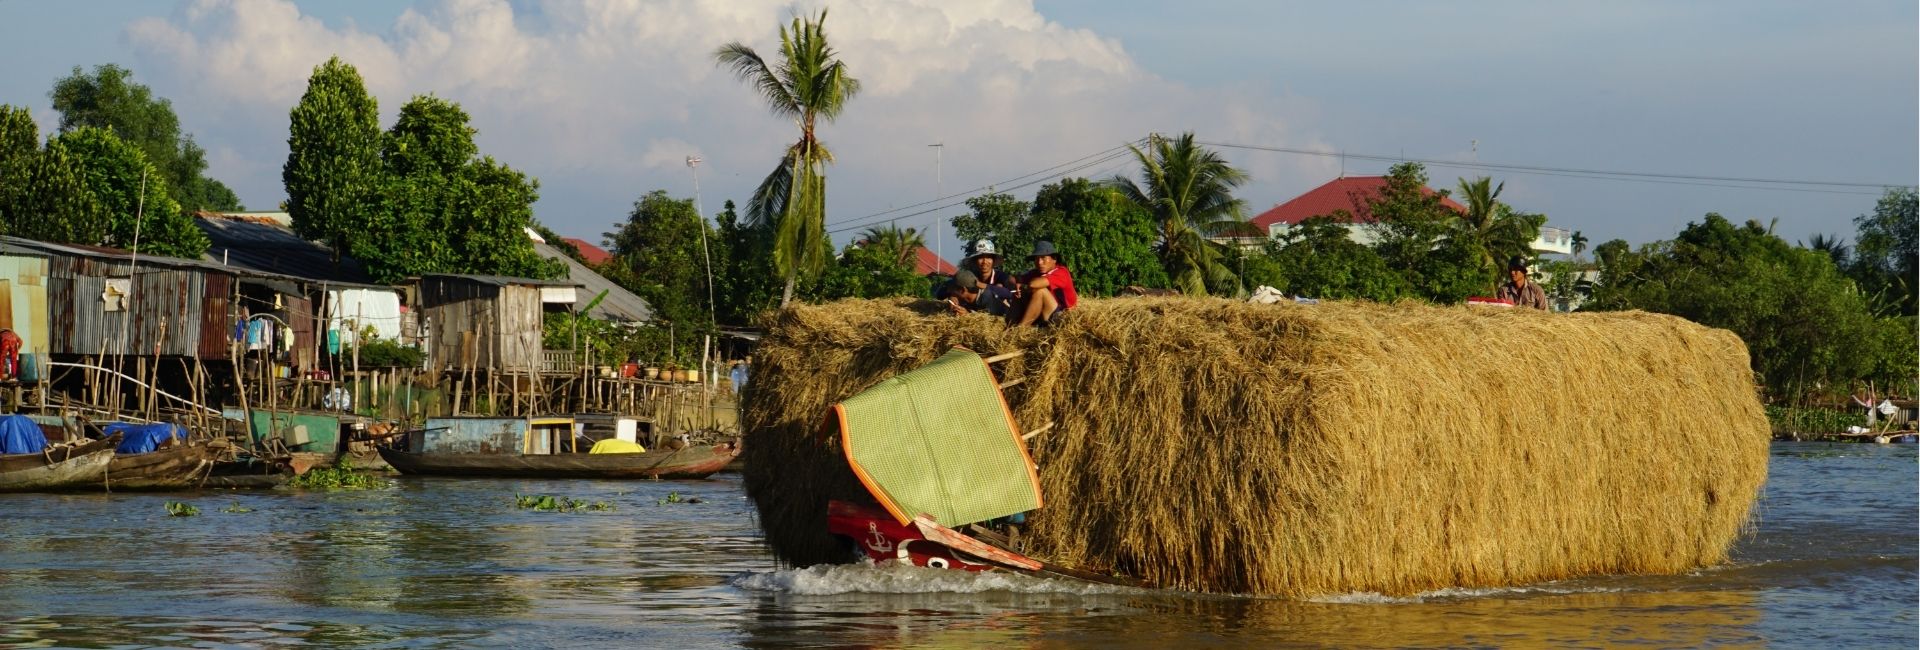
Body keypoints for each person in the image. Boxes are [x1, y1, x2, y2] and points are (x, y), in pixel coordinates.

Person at [1012, 241, 1077, 327]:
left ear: (1054, 259)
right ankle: (1010, 324)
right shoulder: (1037, 272)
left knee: (1040, 291)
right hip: (1047, 313)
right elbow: (1013, 278)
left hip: (1063, 316)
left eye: (1043, 258)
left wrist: (1023, 285)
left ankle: (1021, 328)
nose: (1039, 262)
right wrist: (1017, 284)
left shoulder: (1061, 272)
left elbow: (1033, 284)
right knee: (1019, 293)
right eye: (1036, 259)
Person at [938, 270, 1012, 316]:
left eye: (952, 289)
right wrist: (952, 296)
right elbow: (939, 294)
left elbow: (989, 321)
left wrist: (968, 315)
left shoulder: (987, 298)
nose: (949, 290)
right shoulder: (963, 297)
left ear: (963, 290)